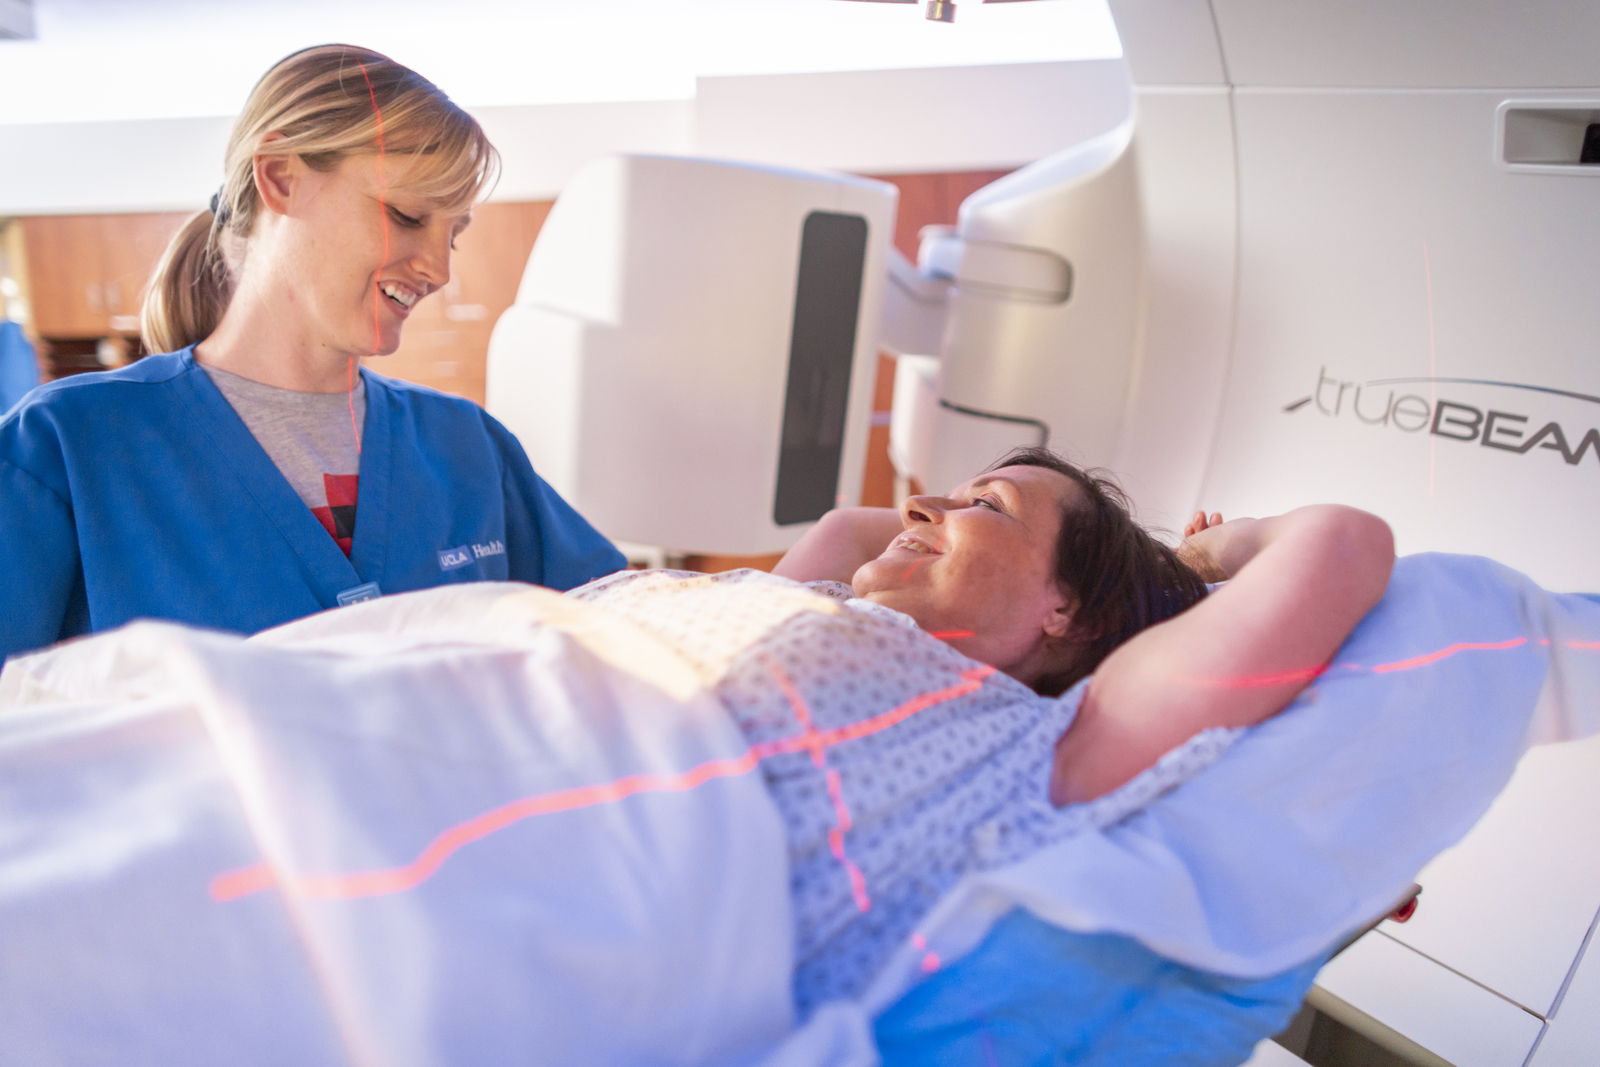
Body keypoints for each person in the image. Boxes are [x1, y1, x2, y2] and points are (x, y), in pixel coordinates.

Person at [0, 45, 624, 663]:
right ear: (279, 177)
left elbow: (622, 624)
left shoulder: (466, 448)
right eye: (406, 216)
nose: (437, 270)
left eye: (454, 235)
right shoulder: (65, 449)